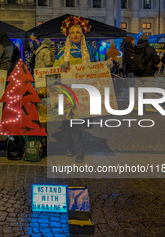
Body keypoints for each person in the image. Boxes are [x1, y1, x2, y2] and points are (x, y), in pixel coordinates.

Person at [53, 16, 112, 163]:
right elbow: (53, 69)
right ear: (69, 35)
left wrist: (106, 64)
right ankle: (71, 146)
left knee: (78, 123)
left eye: (78, 32)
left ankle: (78, 149)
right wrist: (61, 67)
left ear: (82, 34)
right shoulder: (62, 52)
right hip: (66, 91)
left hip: (83, 92)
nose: (75, 35)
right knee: (67, 122)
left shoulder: (90, 51)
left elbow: (96, 66)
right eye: (72, 32)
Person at [133, 33, 160, 112]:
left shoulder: (135, 48)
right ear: (147, 40)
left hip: (137, 72)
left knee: (137, 89)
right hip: (148, 72)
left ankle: (136, 106)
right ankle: (148, 107)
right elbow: (157, 60)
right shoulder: (150, 49)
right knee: (149, 89)